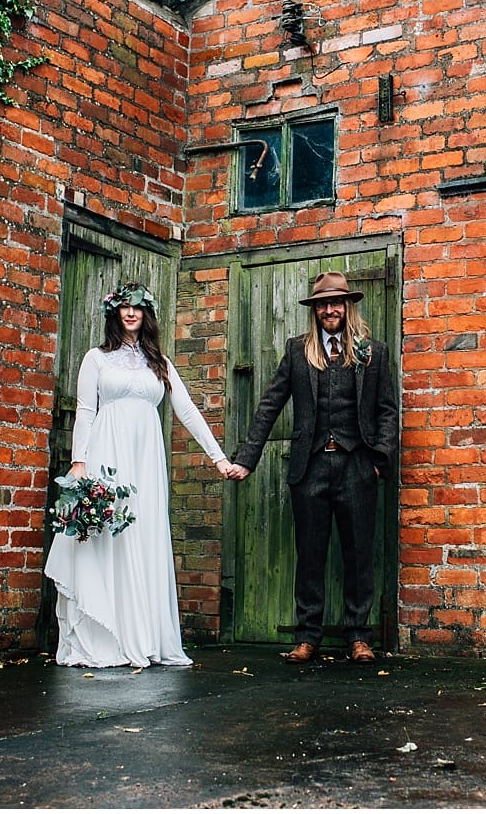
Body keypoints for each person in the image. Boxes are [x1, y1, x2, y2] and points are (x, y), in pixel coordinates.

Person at [45, 282, 241, 667]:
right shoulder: (96, 359)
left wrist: (218, 458)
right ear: (115, 313)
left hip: (146, 459)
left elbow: (187, 411)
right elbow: (85, 411)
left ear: (146, 313)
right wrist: (79, 462)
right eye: (124, 307)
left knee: (143, 533)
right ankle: (107, 635)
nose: (131, 313)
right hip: (107, 453)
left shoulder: (160, 363)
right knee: (109, 535)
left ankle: (142, 634)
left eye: (138, 307)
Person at [226, 271, 400, 664]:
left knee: (359, 556)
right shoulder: (297, 351)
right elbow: (269, 405)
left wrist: (378, 461)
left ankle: (359, 636)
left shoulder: (372, 352)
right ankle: (307, 636)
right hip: (311, 468)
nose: (329, 309)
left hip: (357, 466)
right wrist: (246, 459)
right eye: (323, 304)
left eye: (336, 303)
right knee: (309, 556)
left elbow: (387, 411)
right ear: (315, 310)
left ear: (347, 306)